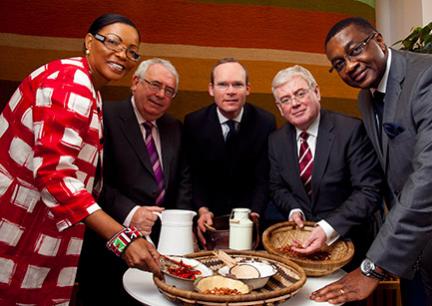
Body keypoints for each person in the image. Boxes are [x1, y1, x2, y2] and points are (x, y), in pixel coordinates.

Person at [0, 13, 163, 305]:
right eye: (113, 42)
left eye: (131, 51)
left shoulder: (89, 88)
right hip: (17, 225)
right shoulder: (71, 82)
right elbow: (55, 176)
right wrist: (122, 238)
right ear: (89, 41)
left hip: (38, 226)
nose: (122, 55)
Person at [309, 17, 432, 306]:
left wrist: (373, 267)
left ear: (378, 40)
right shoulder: (366, 98)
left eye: (355, 51)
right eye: (339, 63)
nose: (350, 65)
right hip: (418, 254)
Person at [77, 58, 191, 305]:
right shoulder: (104, 115)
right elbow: (88, 180)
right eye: (155, 85)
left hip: (160, 245)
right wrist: (131, 212)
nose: (161, 94)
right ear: (135, 82)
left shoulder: (175, 127)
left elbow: (183, 181)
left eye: (169, 90)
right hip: (108, 247)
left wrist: (179, 225)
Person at [269, 65, 383, 272]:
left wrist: (328, 227)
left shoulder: (351, 130)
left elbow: (368, 192)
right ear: (279, 108)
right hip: (300, 250)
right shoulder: (276, 141)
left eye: (300, 93)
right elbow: (277, 187)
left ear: (317, 92)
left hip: (350, 249)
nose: (294, 103)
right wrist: (293, 208)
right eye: (285, 100)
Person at [183, 58, 276, 247]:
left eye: (237, 85)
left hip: (251, 218)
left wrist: (255, 213)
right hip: (209, 220)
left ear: (248, 89)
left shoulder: (266, 122)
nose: (231, 91)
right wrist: (202, 209)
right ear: (211, 89)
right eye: (223, 84)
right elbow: (194, 175)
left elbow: (264, 176)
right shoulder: (194, 122)